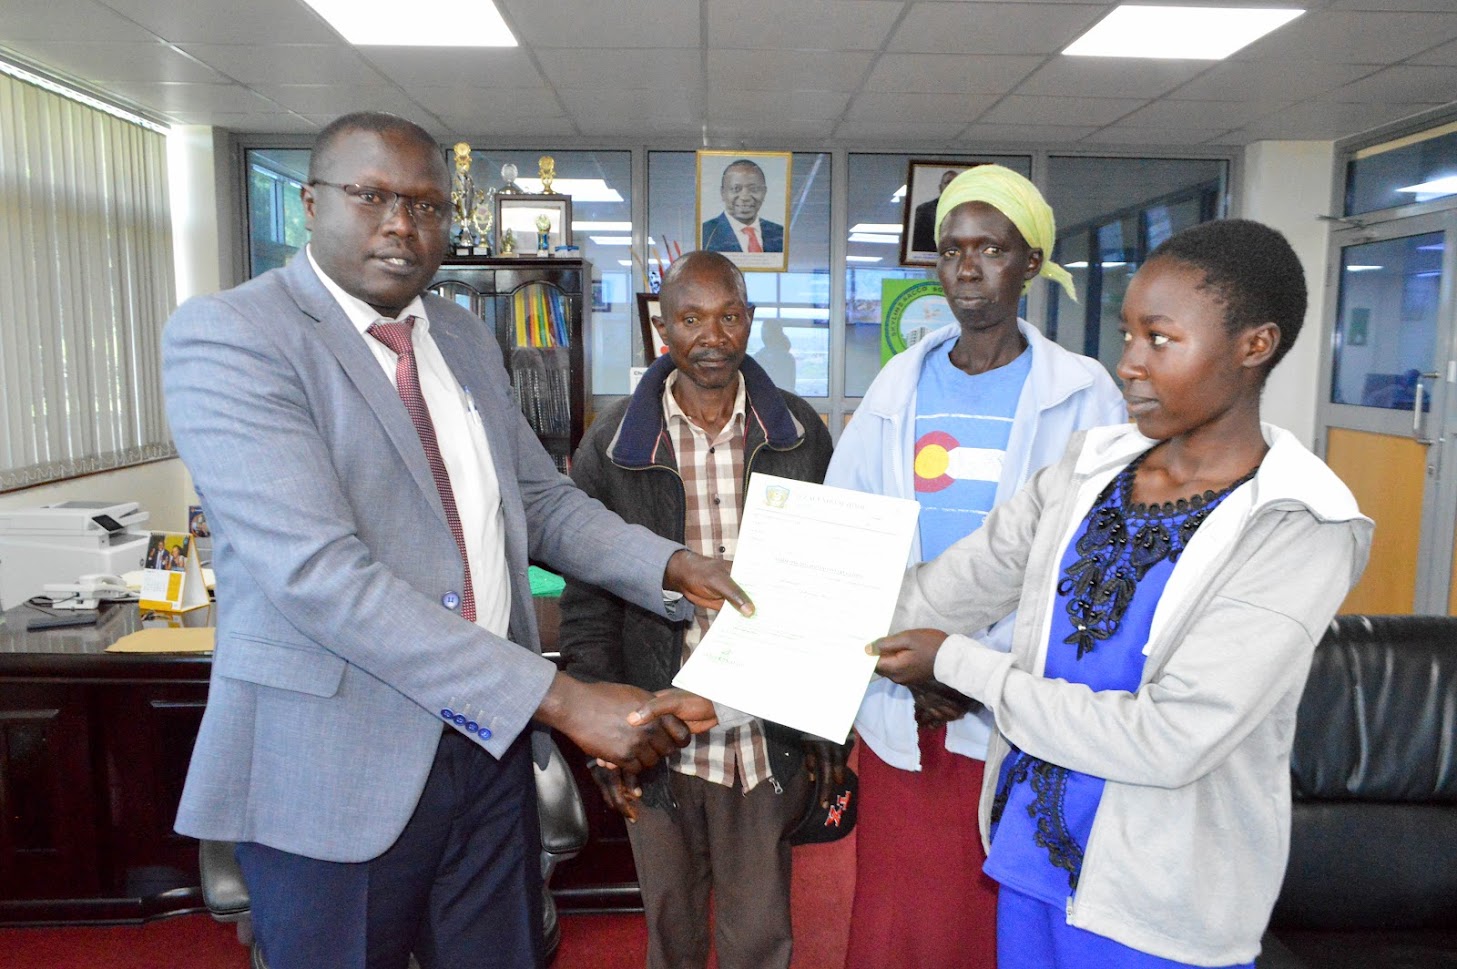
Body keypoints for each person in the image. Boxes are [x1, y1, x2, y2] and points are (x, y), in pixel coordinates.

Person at [163, 111, 739, 969]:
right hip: (336, 765)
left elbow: (538, 500)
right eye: (371, 196)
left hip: (485, 750)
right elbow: (322, 577)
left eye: (427, 205)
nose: (401, 224)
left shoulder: (461, 335)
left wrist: (673, 563)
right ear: (311, 203)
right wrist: (560, 698)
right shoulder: (234, 337)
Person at [871, 219, 1372, 969]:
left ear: (1254, 345)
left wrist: (957, 665)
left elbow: (1170, 737)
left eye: (1159, 339)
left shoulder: (1298, 523)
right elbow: (952, 586)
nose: (1129, 364)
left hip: (1155, 903)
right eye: (1127, 334)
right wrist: (776, 606)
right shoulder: (1091, 467)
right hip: (1030, 853)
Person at [825, 164, 1125, 969]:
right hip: (904, 699)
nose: (967, 266)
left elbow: (1092, 564)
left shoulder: (1085, 393)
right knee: (900, 920)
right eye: (953, 248)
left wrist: (965, 666)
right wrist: (908, 666)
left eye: (991, 248)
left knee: (998, 920)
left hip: (1017, 702)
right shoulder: (895, 386)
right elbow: (846, 540)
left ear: (1031, 263)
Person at [559, 250, 840, 969]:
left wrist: (822, 729)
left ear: (750, 319)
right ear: (662, 328)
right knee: (672, 936)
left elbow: (826, 587)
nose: (712, 337)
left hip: (761, 735)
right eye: (691, 319)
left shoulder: (800, 433)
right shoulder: (613, 443)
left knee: (760, 939)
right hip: (658, 734)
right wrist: (602, 738)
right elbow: (588, 603)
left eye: (729, 316)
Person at [701, 159, 784, 254]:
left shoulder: (780, 233)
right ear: (723, 193)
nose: (745, 197)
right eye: (736, 189)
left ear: (764, 192)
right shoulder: (705, 233)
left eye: (754, 189)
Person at [910, 167, 958, 254]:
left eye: (955, 183)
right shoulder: (924, 210)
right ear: (940, 188)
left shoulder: (969, 212)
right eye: (948, 182)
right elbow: (918, 243)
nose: (951, 186)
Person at [753, 319, 797, 389]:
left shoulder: (759, 357)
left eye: (765, 333)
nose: (763, 336)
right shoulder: (789, 358)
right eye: (762, 333)